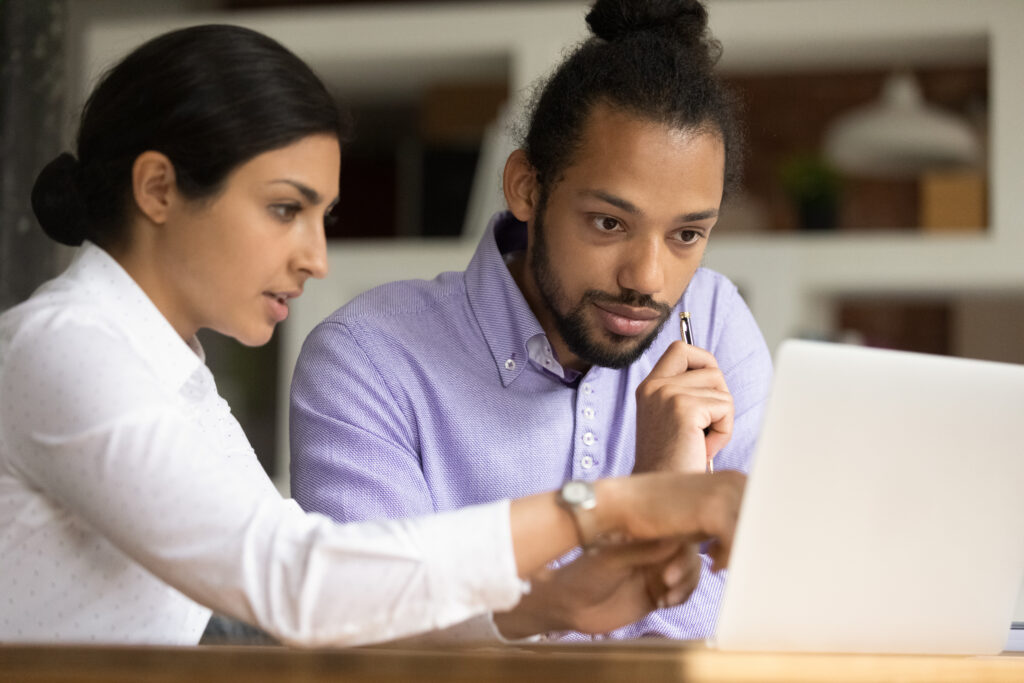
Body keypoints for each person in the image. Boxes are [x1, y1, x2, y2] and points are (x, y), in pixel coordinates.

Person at [0, 23, 746, 647]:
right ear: (159, 188)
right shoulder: (62, 348)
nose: (315, 258)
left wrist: (547, 606)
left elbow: (346, 594)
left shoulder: (171, 371)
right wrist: (607, 506)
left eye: (321, 218)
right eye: (285, 210)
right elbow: (293, 578)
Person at [290, 0, 772, 641]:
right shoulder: (366, 360)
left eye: (686, 234)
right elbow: (371, 637)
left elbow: (762, 609)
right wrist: (653, 501)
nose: (648, 279)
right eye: (609, 223)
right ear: (525, 187)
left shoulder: (715, 320)